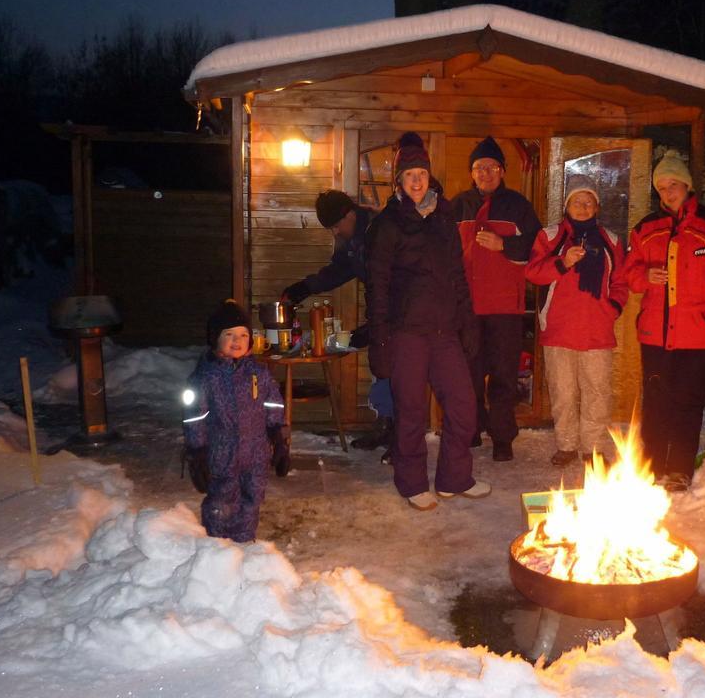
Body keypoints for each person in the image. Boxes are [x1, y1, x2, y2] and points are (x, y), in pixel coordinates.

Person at [365, 132, 490, 511]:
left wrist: (467, 322)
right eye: (409, 175)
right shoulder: (387, 225)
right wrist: (380, 339)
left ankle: (454, 478)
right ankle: (412, 482)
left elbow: (457, 275)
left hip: (445, 331)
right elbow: (377, 286)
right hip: (407, 333)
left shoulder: (443, 218)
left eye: (421, 174)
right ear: (399, 182)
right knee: (411, 410)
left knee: (464, 403)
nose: (417, 181)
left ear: (429, 177)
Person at [624, 151, 705, 491]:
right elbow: (629, 275)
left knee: (687, 404)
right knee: (657, 403)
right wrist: (646, 275)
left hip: (698, 336)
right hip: (655, 335)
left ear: (687, 186)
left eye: (673, 185)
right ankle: (652, 468)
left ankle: (678, 470)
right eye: (661, 188)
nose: (667, 193)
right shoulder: (646, 228)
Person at [280, 190, 394, 455]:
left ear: (350, 214)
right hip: (381, 311)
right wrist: (304, 288)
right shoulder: (353, 239)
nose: (334, 233)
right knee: (382, 367)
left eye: (334, 226)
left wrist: (377, 326)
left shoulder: (383, 229)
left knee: (399, 369)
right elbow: (339, 270)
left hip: (401, 310)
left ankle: (402, 437)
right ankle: (386, 425)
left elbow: (404, 282)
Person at [525, 178, 628, 466]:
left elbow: (620, 281)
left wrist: (613, 307)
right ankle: (567, 445)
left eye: (588, 202)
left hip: (597, 330)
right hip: (559, 329)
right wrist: (563, 262)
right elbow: (533, 273)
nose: (583, 207)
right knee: (563, 391)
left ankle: (592, 448)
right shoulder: (551, 236)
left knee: (598, 392)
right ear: (566, 205)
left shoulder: (612, 240)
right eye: (577, 202)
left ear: (597, 206)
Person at [451, 136, 542, 461]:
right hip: (468, 307)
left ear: (502, 171)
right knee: (467, 373)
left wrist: (504, 245)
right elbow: (445, 254)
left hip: (505, 306)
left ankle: (502, 437)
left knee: (504, 375)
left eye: (491, 167)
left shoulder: (518, 206)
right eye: (479, 168)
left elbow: (538, 248)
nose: (485, 173)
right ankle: (471, 428)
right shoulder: (458, 205)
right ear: (472, 173)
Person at [181, 299, 290, 542]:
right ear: (215, 339)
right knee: (222, 499)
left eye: (243, 335)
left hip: (256, 452)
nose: (237, 341)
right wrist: (197, 452)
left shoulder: (259, 374)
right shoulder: (203, 377)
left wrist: (279, 440)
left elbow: (273, 404)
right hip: (222, 452)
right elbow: (194, 416)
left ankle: (245, 540)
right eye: (229, 334)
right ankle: (218, 545)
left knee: (252, 498)